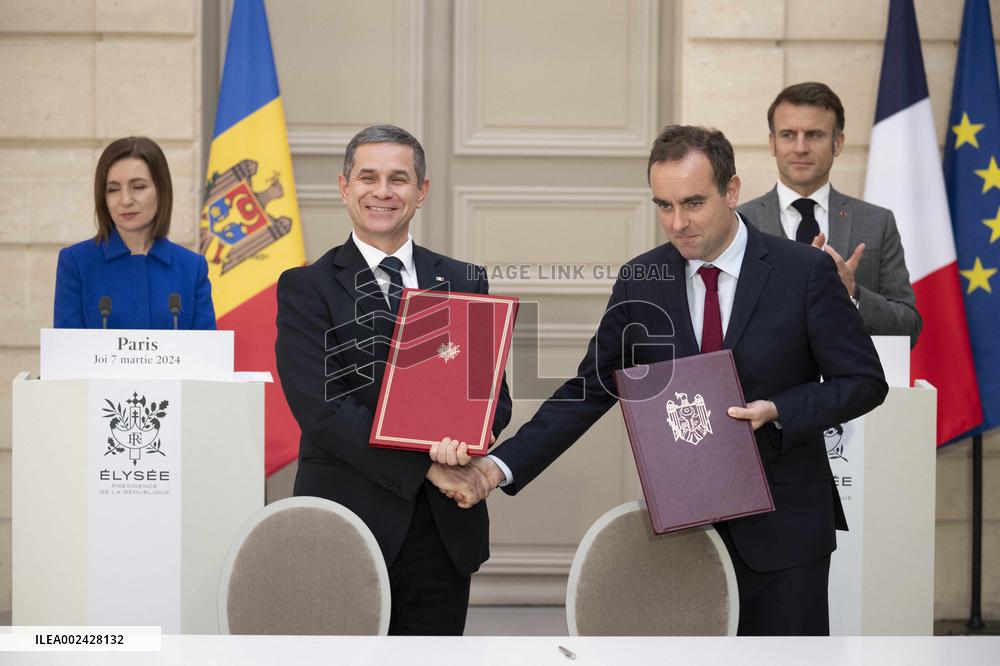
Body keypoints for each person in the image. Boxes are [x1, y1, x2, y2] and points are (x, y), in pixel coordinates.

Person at [433, 125, 888, 635]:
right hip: (683, 531)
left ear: (732, 190)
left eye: (692, 203)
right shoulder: (640, 280)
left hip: (786, 530)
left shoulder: (802, 271)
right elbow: (589, 388)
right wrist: (496, 468)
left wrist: (779, 410)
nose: (678, 222)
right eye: (664, 205)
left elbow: (864, 380)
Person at [274, 125, 511, 635]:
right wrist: (425, 468)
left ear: (421, 191)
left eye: (399, 179)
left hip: (443, 528)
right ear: (344, 186)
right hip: (348, 520)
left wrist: (466, 439)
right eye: (368, 177)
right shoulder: (306, 287)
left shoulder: (465, 279)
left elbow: (494, 400)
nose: (383, 191)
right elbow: (322, 409)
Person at [737, 82, 921, 345]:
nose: (800, 147)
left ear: (838, 143)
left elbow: (908, 328)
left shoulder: (878, 223)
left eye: (814, 134)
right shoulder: (741, 223)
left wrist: (852, 293)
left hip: (851, 384)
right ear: (772, 142)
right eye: (788, 134)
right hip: (767, 386)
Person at [53, 136, 216, 329]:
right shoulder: (76, 263)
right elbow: (67, 353)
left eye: (138, 187)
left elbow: (205, 356)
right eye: (113, 189)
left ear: (161, 190)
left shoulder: (191, 268)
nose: (125, 200)